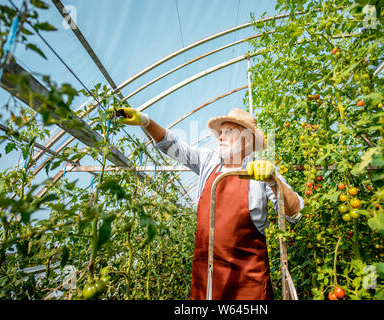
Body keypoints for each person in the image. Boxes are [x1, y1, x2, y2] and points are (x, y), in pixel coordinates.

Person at [116, 107, 304, 300]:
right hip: (207, 279)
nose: (221, 137)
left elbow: (294, 212)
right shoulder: (208, 161)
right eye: (220, 132)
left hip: (248, 283)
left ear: (247, 139)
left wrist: (273, 181)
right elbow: (171, 144)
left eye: (229, 132)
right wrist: (146, 121)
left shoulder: (260, 170)